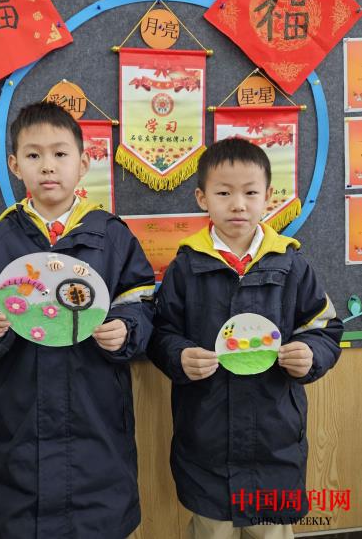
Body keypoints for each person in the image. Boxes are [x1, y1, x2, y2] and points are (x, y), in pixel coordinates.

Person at [0, 101, 155, 539]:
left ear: (83, 163)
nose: (48, 166)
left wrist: (128, 328)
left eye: (60, 154)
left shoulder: (112, 236)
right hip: (21, 426)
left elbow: (142, 302)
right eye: (33, 155)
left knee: (99, 525)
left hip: (97, 423)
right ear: (14, 165)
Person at [147, 138, 343, 539]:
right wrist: (179, 356)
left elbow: (324, 327)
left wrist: (311, 353)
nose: (238, 204)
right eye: (224, 193)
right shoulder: (185, 267)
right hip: (206, 436)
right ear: (202, 198)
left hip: (275, 438)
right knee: (212, 529)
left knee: (271, 531)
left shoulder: (292, 264)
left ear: (269, 197)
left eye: (250, 193)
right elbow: (160, 331)